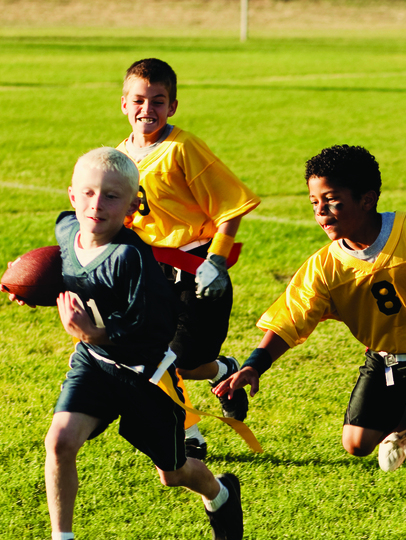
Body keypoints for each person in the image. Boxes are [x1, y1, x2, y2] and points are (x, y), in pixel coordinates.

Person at [214, 145, 406, 540]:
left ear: (367, 199)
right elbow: (291, 316)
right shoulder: (324, 266)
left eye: (332, 202)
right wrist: (254, 365)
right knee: (356, 444)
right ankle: (403, 417)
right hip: (387, 359)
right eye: (314, 203)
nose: (321, 213)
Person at [26, 148, 242, 540]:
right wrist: (30, 290)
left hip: (147, 375)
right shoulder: (65, 229)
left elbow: (154, 335)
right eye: (88, 193)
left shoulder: (133, 258)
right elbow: (68, 272)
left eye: (111, 196)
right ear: (72, 196)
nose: (96, 204)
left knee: (173, 474)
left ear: (132, 206)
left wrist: (96, 334)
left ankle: (221, 494)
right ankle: (62, 537)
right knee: (58, 441)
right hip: (94, 364)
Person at [116, 58, 262, 455]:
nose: (148, 109)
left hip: (196, 269)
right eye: (140, 100)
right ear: (124, 104)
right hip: (150, 271)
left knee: (185, 363)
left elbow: (230, 206)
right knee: (152, 359)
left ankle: (224, 370)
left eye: (158, 101)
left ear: (173, 106)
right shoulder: (118, 157)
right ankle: (188, 434)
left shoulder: (184, 147)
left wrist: (216, 260)